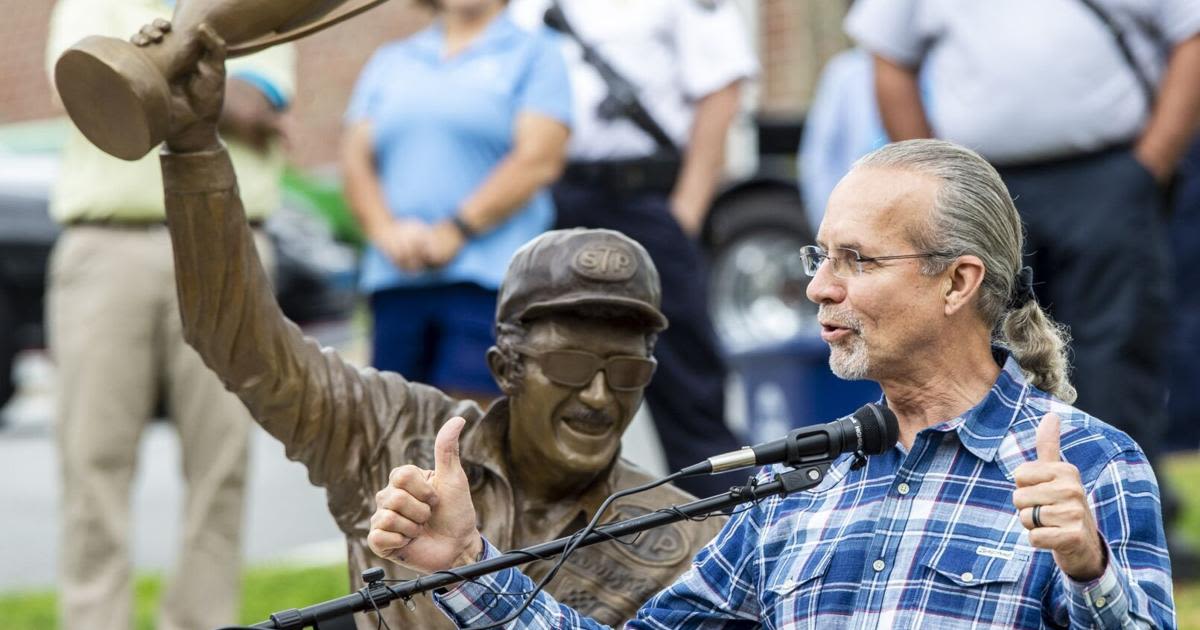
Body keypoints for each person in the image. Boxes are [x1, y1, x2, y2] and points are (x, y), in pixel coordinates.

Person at [369, 139, 1176, 628]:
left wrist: (1088, 568)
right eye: (818, 257)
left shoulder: (1087, 466)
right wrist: (463, 560)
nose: (820, 288)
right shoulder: (799, 487)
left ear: (957, 282)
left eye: (856, 260)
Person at [133, 21, 725, 630]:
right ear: (506, 369)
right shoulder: (389, 431)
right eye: (571, 366)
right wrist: (195, 149)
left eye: (626, 371)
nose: (600, 396)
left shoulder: (689, 539)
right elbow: (240, 341)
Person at [845, 0, 1200, 574]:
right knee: (976, 354)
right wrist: (934, 189)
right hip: (984, 186)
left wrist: (1148, 166)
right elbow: (888, 59)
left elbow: (1191, 36)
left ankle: (1120, 528)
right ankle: (989, 525)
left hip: (1107, 174)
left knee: (1118, 353)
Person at [44, 2, 294, 629]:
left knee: (221, 463)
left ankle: (203, 623)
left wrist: (147, 66)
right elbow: (90, 93)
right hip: (107, 247)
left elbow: (257, 108)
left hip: (226, 243)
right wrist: (200, 73)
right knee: (92, 459)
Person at [507, 0, 758, 499]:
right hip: (554, 198)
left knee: (685, 384)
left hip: (645, 196)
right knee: (550, 375)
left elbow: (721, 90)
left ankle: (727, 525)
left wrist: (685, 210)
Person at [342, 0, 571, 403]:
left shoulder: (536, 53)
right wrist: (385, 231)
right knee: (393, 424)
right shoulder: (392, 60)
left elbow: (538, 159)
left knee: (471, 433)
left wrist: (456, 229)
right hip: (397, 278)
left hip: (488, 282)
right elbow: (356, 161)